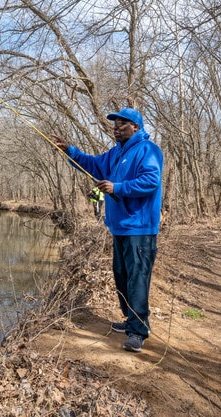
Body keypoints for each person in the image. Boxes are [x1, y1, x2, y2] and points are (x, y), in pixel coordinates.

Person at [52, 108, 163, 353]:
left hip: (140, 228)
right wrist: (69, 150)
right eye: (114, 124)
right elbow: (92, 164)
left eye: (122, 124)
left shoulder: (148, 150)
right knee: (121, 277)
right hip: (119, 228)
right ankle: (130, 319)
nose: (116, 127)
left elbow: (150, 180)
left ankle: (138, 330)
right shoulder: (116, 153)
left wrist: (117, 187)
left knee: (137, 280)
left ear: (136, 126)